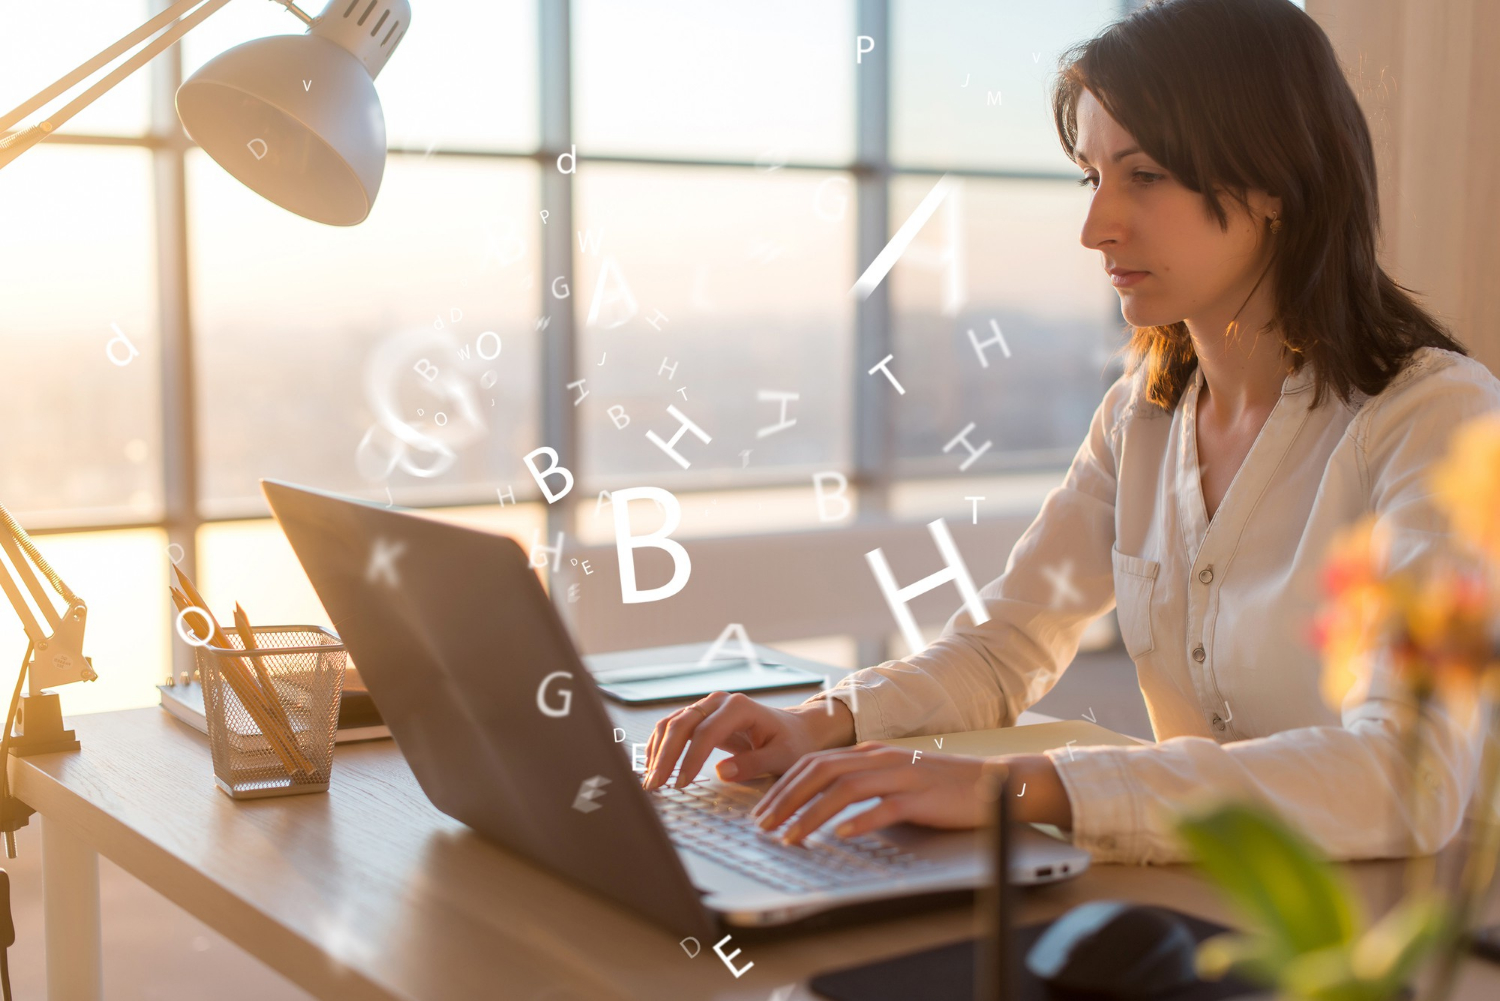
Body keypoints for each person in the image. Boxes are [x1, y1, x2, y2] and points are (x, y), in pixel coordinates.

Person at [642, 0, 1500, 864]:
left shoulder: (1436, 420)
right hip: (1199, 911)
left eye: (1146, 176)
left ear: (1273, 181)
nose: (1096, 228)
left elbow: (1407, 772)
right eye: (1092, 177)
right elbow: (1003, 649)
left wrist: (1017, 787)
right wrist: (819, 721)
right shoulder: (1144, 416)